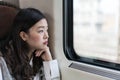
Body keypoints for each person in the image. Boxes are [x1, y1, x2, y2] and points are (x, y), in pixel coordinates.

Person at [0, 8, 60, 80]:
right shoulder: (3, 62)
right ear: (24, 36)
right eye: (41, 31)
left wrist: (49, 61)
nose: (47, 36)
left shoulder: (38, 58)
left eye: (46, 30)